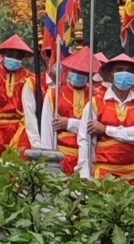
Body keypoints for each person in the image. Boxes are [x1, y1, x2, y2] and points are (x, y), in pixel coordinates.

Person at [77, 54, 134, 184]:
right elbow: (85, 139)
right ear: (110, 75)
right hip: (104, 172)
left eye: (129, 71)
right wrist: (84, 174)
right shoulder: (95, 103)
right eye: (119, 70)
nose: (125, 73)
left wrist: (105, 129)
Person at [0, 34, 40, 155]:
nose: (14, 58)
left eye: (18, 56)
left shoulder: (28, 78)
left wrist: (36, 144)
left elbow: (29, 112)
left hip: (18, 133)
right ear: (3, 55)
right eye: (10, 55)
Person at [40, 46, 100, 175]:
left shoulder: (96, 96)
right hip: (62, 157)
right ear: (69, 70)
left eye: (84, 72)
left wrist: (69, 124)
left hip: (87, 158)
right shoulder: (55, 94)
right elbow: (47, 130)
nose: (79, 74)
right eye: (76, 70)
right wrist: (48, 161)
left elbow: (95, 128)